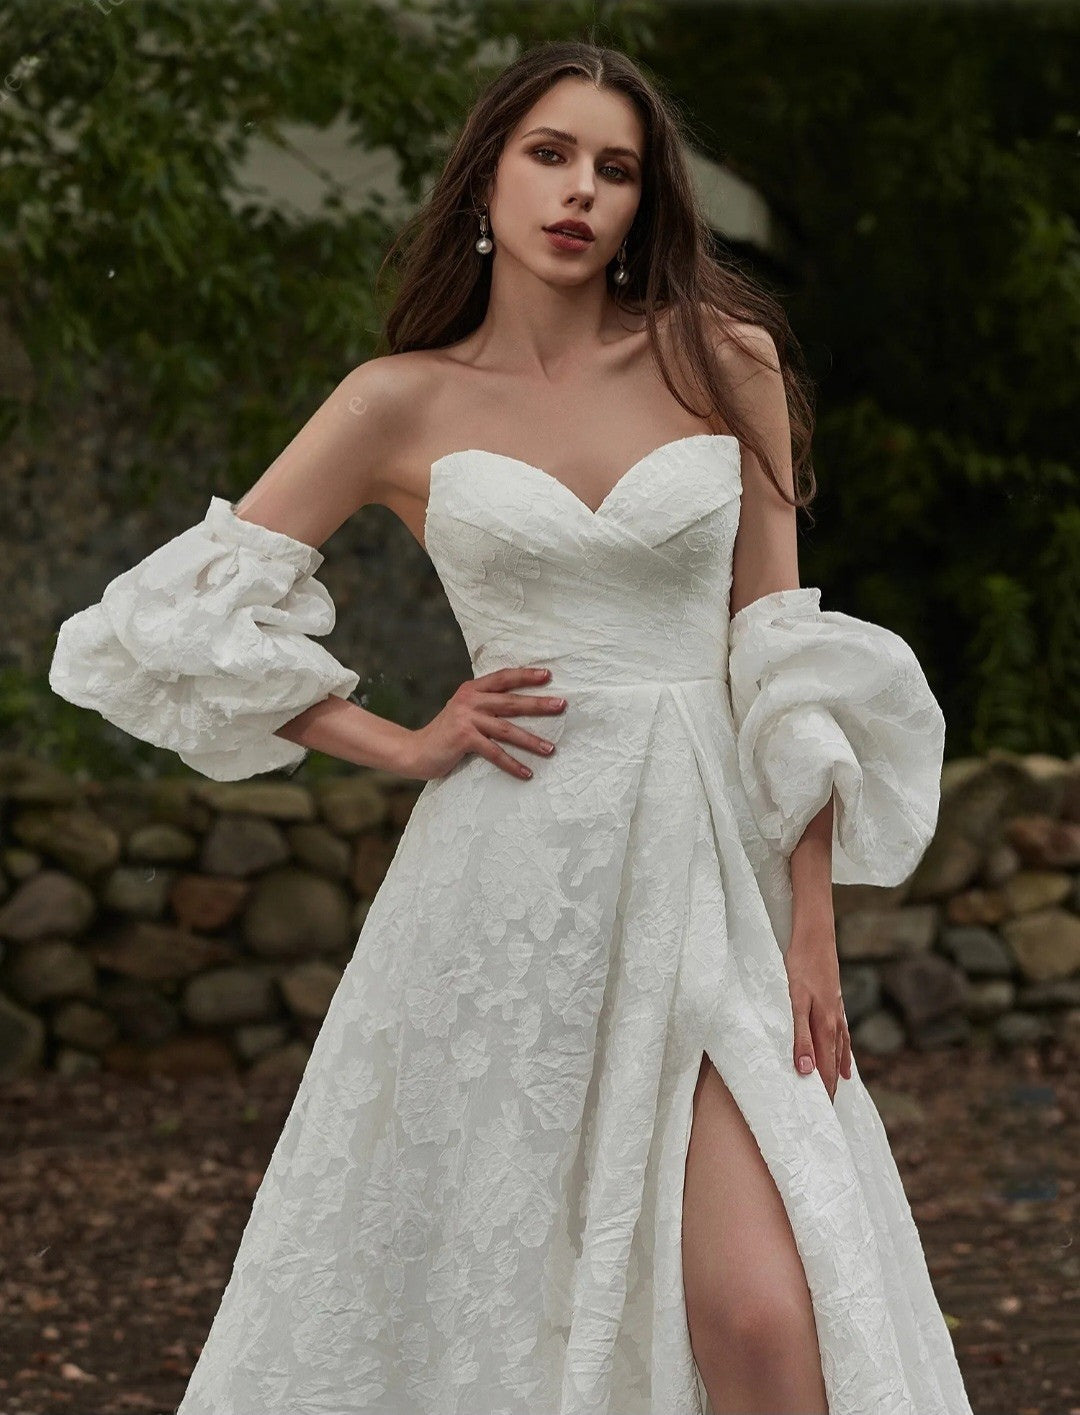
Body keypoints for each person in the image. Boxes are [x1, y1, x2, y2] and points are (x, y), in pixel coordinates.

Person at [47, 40, 974, 1415]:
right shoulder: (396, 401)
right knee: (500, 1293)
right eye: (551, 153)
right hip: (506, 887)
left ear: (646, 205)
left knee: (766, 1319)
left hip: (710, 880)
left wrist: (811, 926)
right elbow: (160, 626)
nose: (581, 192)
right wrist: (397, 739)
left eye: (617, 169)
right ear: (487, 173)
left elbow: (779, 651)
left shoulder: (728, 362)